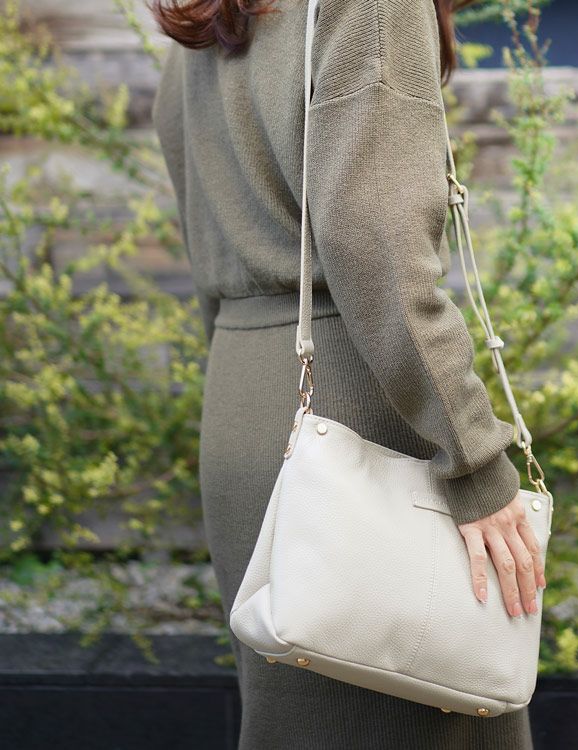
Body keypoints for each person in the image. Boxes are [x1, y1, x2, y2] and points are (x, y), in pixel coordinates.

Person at [149, 0, 546, 747]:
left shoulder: (207, 20)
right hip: (357, 404)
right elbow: (378, 248)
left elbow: (208, 231)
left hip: (244, 398)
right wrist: (474, 460)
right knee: (437, 715)